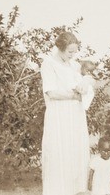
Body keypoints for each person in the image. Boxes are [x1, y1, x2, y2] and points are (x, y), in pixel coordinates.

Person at [40, 32, 90, 195]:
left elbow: (83, 83)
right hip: (59, 115)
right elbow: (51, 92)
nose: (72, 55)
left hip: (75, 116)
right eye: (70, 52)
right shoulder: (48, 64)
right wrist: (74, 96)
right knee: (58, 153)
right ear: (60, 48)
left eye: (75, 52)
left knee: (74, 154)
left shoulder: (74, 66)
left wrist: (84, 87)